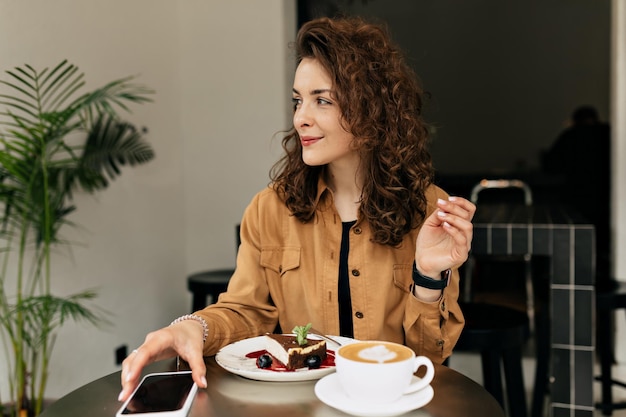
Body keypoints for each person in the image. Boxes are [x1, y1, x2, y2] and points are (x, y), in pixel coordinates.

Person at [118, 16, 475, 402]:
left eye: (322, 100)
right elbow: (246, 311)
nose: (300, 117)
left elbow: (428, 358)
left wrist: (427, 276)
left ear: (372, 109)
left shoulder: (428, 209)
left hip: (389, 405)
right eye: (298, 100)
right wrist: (191, 327)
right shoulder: (270, 209)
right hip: (304, 406)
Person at [543, 105, 611, 283]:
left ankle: (581, 281)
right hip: (607, 199)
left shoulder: (571, 135)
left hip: (578, 197)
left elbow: (551, 165)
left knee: (579, 244)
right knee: (604, 244)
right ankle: (602, 280)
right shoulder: (608, 132)